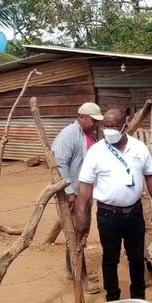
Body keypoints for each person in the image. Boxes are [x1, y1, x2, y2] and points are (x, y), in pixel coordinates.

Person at [75, 109, 152, 302]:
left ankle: (138, 299)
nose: (109, 130)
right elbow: (85, 186)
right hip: (108, 215)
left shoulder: (139, 148)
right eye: (105, 126)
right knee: (110, 259)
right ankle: (112, 300)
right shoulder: (96, 151)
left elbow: (150, 175)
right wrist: (81, 214)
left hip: (134, 213)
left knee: (137, 258)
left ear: (126, 123)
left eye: (113, 126)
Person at [51, 102, 104, 293]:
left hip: (84, 193)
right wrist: (69, 193)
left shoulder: (86, 134)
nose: (95, 124)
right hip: (74, 195)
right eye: (92, 120)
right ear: (81, 117)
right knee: (78, 234)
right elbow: (59, 164)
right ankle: (80, 279)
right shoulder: (68, 135)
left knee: (76, 232)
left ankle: (71, 270)